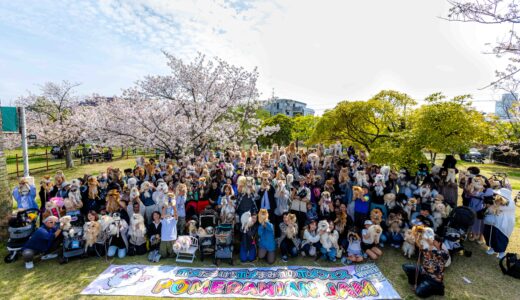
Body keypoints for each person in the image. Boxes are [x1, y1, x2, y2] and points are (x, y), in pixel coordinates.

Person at [483, 188, 516, 259]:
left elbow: (500, 207)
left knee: (501, 237)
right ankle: (492, 248)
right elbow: (491, 209)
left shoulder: (511, 203)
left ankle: (501, 252)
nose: (498, 195)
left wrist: (495, 205)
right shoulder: (497, 201)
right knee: (492, 235)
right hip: (495, 222)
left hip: (504, 224)